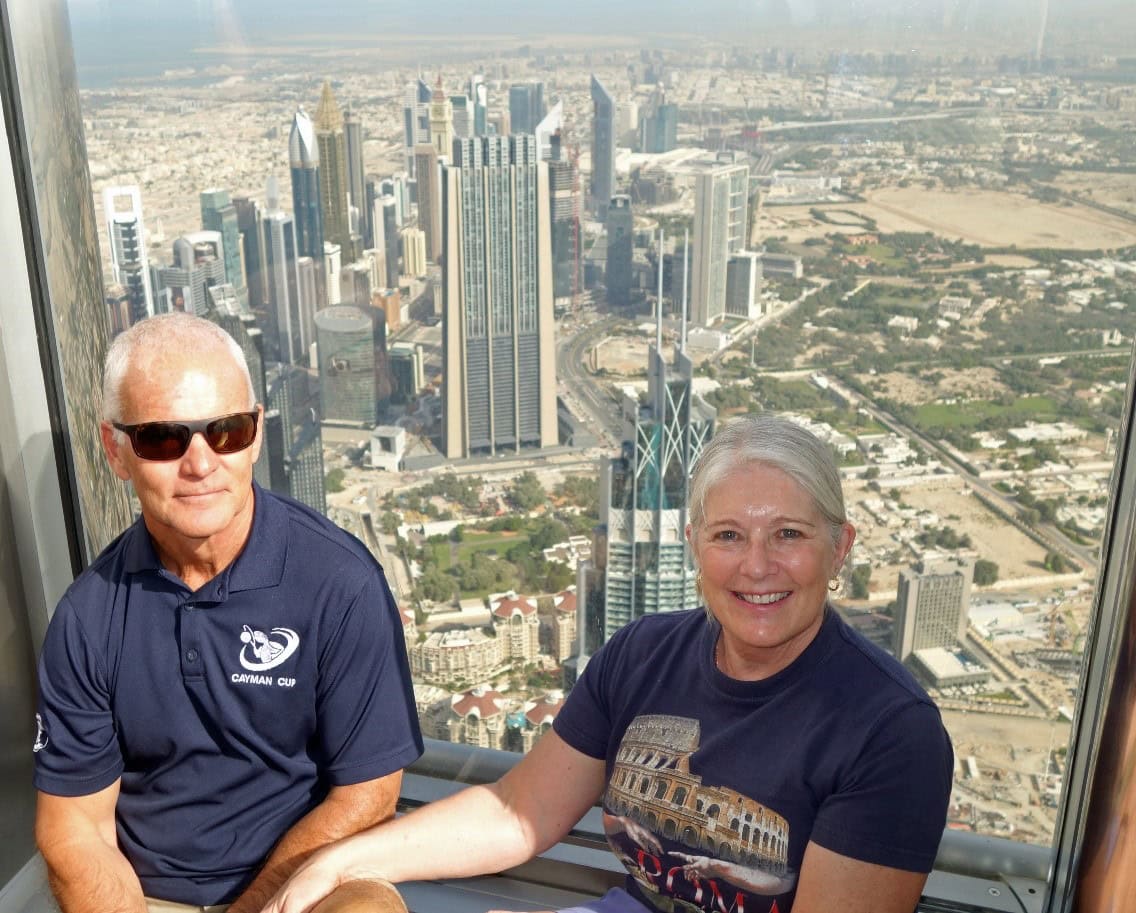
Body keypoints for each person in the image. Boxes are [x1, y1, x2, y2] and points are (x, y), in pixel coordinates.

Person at [260, 412, 954, 913]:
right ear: (692, 545)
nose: (757, 564)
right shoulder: (644, 655)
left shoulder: (888, 732)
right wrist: (342, 860)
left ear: (841, 547)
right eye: (729, 534)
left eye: (790, 534)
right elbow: (518, 810)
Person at [33, 312, 423, 913]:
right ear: (116, 451)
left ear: (257, 432)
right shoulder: (88, 617)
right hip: (146, 896)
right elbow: (74, 829)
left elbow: (368, 796)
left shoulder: (339, 583)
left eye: (227, 431)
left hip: (310, 880)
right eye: (162, 438)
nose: (199, 464)